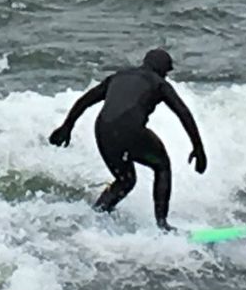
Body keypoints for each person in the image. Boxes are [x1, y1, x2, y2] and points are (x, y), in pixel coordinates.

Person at [48, 48, 207, 231]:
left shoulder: (119, 76)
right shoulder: (159, 83)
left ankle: (96, 218)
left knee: (125, 180)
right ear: (162, 69)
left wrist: (67, 126)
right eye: (166, 72)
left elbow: (86, 100)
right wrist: (198, 149)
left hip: (103, 130)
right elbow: (183, 113)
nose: (166, 76)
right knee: (162, 165)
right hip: (131, 131)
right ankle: (162, 225)